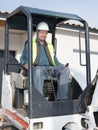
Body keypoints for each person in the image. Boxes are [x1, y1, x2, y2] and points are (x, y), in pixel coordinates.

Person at [20, 22, 70, 100]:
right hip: (37, 68)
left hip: (50, 69)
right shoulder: (30, 44)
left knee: (65, 70)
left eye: (45, 33)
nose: (44, 35)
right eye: (42, 32)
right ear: (37, 32)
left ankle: (62, 99)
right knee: (38, 71)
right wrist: (25, 63)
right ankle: (39, 100)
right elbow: (23, 58)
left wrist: (61, 65)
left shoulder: (50, 46)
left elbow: (55, 60)